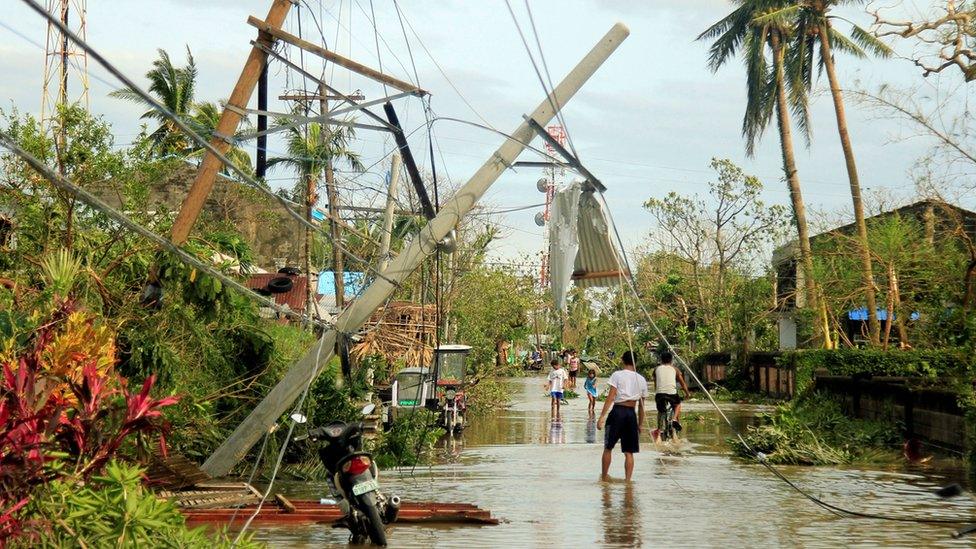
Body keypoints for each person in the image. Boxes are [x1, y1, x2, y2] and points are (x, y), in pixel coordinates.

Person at [597, 351, 648, 481]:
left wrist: (602, 416)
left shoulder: (617, 375)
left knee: (608, 447)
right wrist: (640, 424)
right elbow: (642, 406)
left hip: (618, 411)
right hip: (631, 413)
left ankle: (604, 478)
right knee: (629, 452)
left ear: (622, 360)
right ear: (635, 362)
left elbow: (611, 396)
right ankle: (628, 481)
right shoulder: (641, 379)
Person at [652, 351, 691, 441]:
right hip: (672, 393)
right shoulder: (675, 369)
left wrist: (657, 392)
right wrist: (687, 394)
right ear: (671, 360)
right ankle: (674, 420)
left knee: (661, 411)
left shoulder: (656, 369)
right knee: (677, 404)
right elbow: (683, 383)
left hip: (659, 394)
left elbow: (655, 384)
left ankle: (659, 432)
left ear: (661, 360)